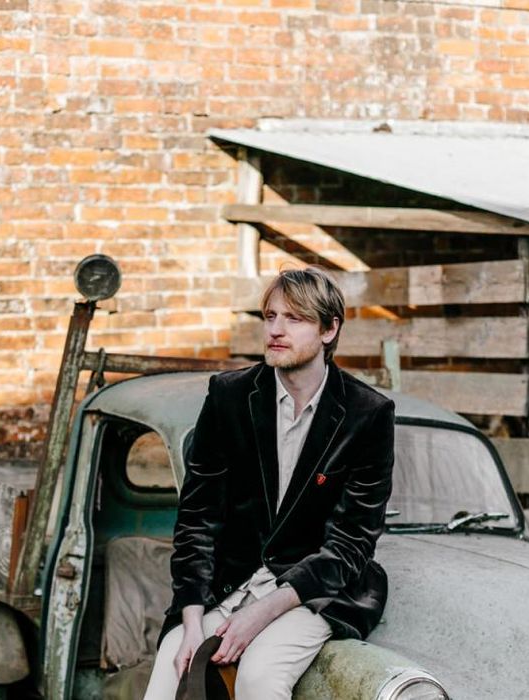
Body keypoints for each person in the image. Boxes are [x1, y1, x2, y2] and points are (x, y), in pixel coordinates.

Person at [143, 267, 395, 700]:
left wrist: (260, 614)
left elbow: (351, 543)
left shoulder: (367, 414)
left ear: (329, 329)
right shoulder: (229, 396)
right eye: (270, 316)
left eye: (294, 318)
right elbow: (196, 521)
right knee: (172, 667)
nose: (276, 330)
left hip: (313, 590)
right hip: (232, 580)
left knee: (260, 677)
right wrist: (189, 623)